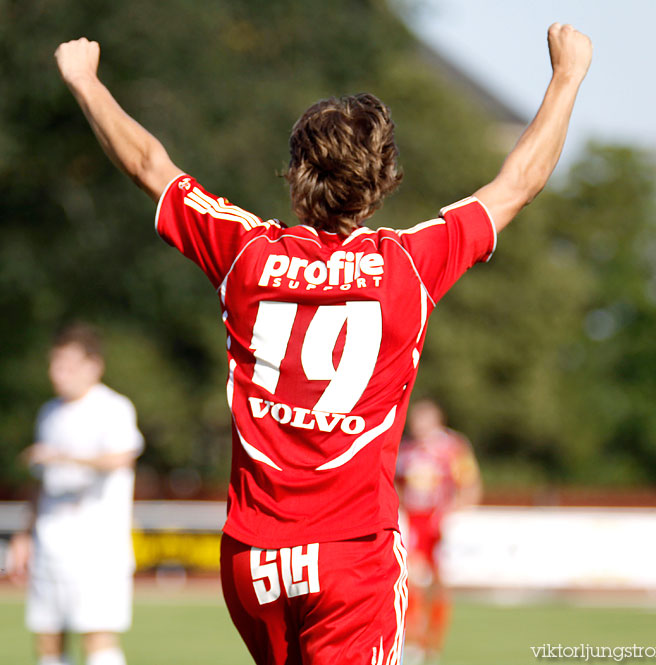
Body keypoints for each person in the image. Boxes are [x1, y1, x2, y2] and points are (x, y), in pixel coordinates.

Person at [53, 23, 591, 665]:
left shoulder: (245, 256)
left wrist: (86, 82)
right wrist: (566, 77)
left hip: (255, 560)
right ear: (384, 176)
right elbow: (517, 185)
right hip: (351, 554)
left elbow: (149, 165)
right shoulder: (407, 267)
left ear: (295, 173)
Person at [7, 324, 143, 665]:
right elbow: (41, 483)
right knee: (47, 637)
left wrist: (63, 457)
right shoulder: (49, 412)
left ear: (92, 366)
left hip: (97, 545)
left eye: (66, 364)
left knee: (97, 637)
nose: (57, 373)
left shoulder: (113, 407)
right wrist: (25, 534)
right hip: (51, 542)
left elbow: (122, 456)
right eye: (54, 364)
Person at [396, 399, 482, 665]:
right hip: (414, 521)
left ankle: (433, 644)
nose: (418, 424)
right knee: (411, 581)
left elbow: (471, 486)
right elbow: (395, 484)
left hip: (439, 521)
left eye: (424, 419)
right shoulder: (406, 449)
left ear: (437, 420)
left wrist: (451, 514)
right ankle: (413, 643)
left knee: (439, 585)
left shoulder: (452, 448)